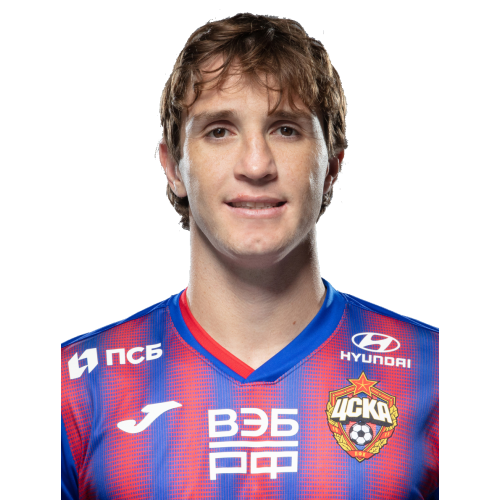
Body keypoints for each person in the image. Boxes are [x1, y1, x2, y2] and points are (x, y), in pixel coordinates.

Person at [61, 13, 439, 499]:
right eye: (220, 131)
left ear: (332, 165)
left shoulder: (430, 371)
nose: (256, 165)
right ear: (173, 166)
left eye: (286, 129)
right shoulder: (79, 386)